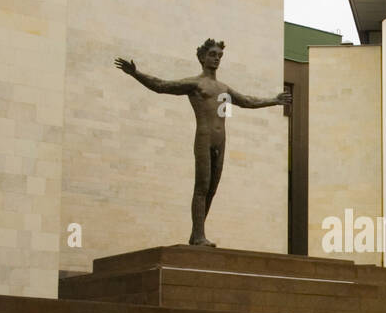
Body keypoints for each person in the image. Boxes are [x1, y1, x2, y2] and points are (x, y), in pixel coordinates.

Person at [115, 39, 291, 246]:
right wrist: (137, 74)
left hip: (221, 140)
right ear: (202, 58)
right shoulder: (195, 84)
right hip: (204, 137)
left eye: (219, 55)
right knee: (202, 186)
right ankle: (198, 235)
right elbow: (162, 86)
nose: (216, 58)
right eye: (212, 54)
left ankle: (197, 233)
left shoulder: (223, 88)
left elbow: (247, 101)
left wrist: (274, 100)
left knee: (212, 189)